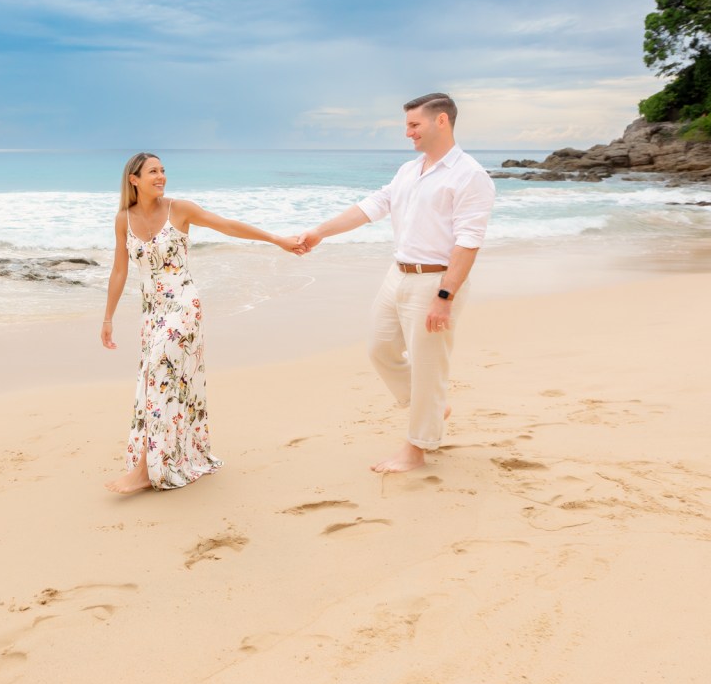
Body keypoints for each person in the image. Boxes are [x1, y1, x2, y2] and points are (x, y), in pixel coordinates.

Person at [299, 93, 496, 473]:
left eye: (414, 125)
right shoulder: (409, 170)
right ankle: (433, 407)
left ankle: (416, 449)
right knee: (379, 348)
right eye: (407, 125)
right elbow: (371, 206)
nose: (408, 133)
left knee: (428, 368)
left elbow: (469, 242)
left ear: (441, 121)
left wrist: (445, 296)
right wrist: (320, 232)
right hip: (398, 275)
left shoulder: (471, 175)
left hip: (436, 281)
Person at [102, 152, 303, 494]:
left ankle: (143, 470)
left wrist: (277, 240)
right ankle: (173, 457)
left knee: (157, 373)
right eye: (153, 171)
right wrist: (108, 317)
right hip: (152, 312)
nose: (161, 176)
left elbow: (227, 225)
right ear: (134, 179)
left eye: (163, 170)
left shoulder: (179, 209)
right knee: (164, 382)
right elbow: (120, 269)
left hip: (183, 306)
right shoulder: (124, 218)